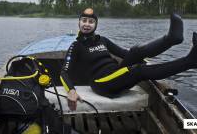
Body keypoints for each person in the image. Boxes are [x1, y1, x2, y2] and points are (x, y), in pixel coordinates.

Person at [60, 8, 197, 111]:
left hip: (115, 73)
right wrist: (71, 91)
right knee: (138, 71)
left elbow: (124, 53)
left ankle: (172, 39)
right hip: (101, 82)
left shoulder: (103, 40)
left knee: (135, 51)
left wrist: (139, 56)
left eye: (91, 21)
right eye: (84, 21)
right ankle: (190, 61)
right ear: (79, 23)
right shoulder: (76, 46)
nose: (87, 24)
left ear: (95, 25)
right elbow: (64, 73)